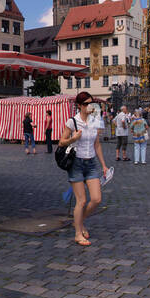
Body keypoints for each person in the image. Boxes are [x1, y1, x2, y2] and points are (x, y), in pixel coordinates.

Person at [62, 94, 107, 248]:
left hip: (92, 163)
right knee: (81, 201)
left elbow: (97, 145)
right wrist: (73, 139)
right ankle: (78, 234)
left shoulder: (95, 121)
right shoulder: (72, 121)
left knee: (96, 199)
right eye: (88, 103)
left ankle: (79, 223)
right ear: (80, 105)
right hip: (76, 164)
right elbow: (62, 142)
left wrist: (104, 165)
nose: (91, 106)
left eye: (92, 103)